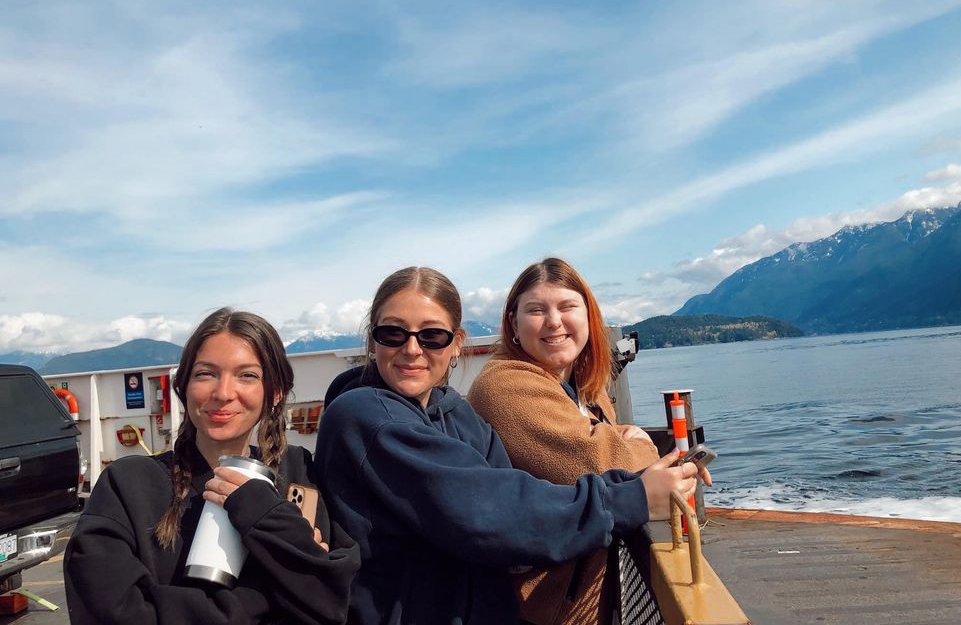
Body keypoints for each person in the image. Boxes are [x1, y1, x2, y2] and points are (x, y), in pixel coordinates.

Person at [314, 267, 701, 625]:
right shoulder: (367, 418)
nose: (412, 349)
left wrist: (639, 479)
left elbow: (514, 491)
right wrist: (633, 496)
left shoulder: (454, 413)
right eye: (393, 333)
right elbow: (490, 511)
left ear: (455, 344)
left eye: (432, 335)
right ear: (372, 340)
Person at [64, 308, 360, 625]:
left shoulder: (299, 473)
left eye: (247, 375)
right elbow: (113, 611)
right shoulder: (128, 485)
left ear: (274, 393)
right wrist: (265, 591)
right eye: (206, 374)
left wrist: (264, 513)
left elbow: (332, 604)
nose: (222, 393)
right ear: (184, 387)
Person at [467, 257, 712, 625]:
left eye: (567, 306)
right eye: (536, 310)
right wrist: (640, 443)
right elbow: (603, 462)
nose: (554, 321)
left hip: (583, 595)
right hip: (539, 609)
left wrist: (630, 447)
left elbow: (614, 457)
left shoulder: (583, 387)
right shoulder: (504, 385)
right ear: (513, 324)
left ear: (587, 316)